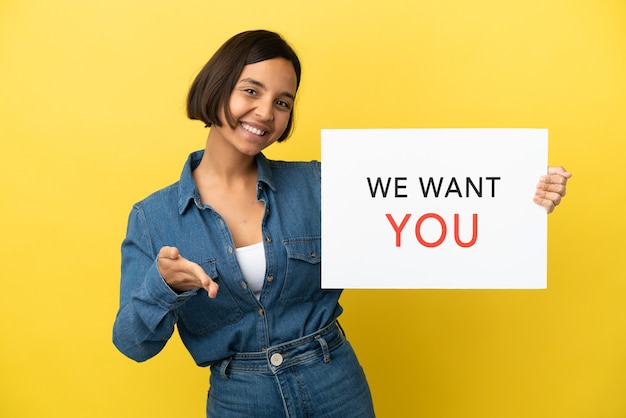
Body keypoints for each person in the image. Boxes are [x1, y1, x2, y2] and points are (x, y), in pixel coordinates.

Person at [112, 30, 572, 417]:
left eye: (283, 102)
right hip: (240, 398)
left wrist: (520, 201)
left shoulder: (318, 183)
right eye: (251, 90)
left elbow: (431, 213)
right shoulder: (152, 219)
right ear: (217, 87)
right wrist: (163, 286)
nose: (266, 113)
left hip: (334, 383)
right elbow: (133, 343)